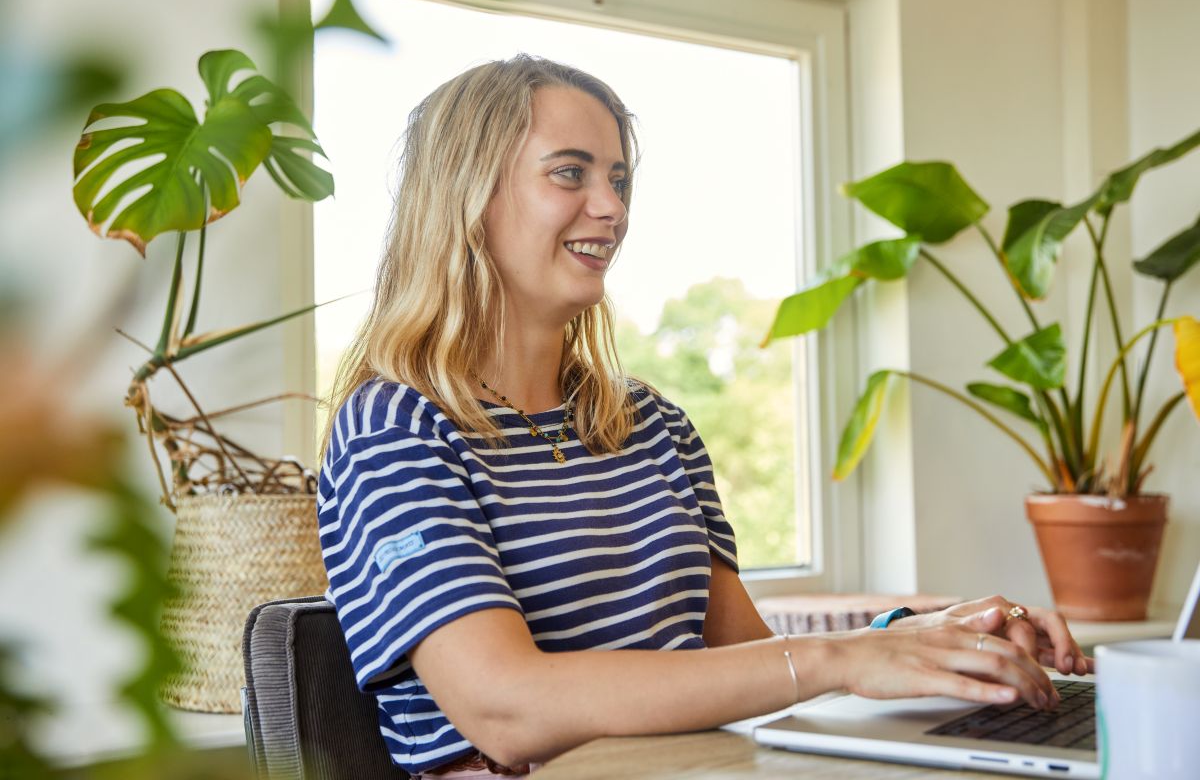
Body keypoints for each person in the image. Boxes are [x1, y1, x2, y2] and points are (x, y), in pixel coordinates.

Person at [317, 55, 1092, 779]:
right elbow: (504, 707)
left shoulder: (650, 423)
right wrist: (845, 656)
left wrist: (923, 642)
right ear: (467, 197)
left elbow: (751, 663)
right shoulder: (395, 427)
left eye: (619, 179)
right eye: (570, 174)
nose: (612, 208)